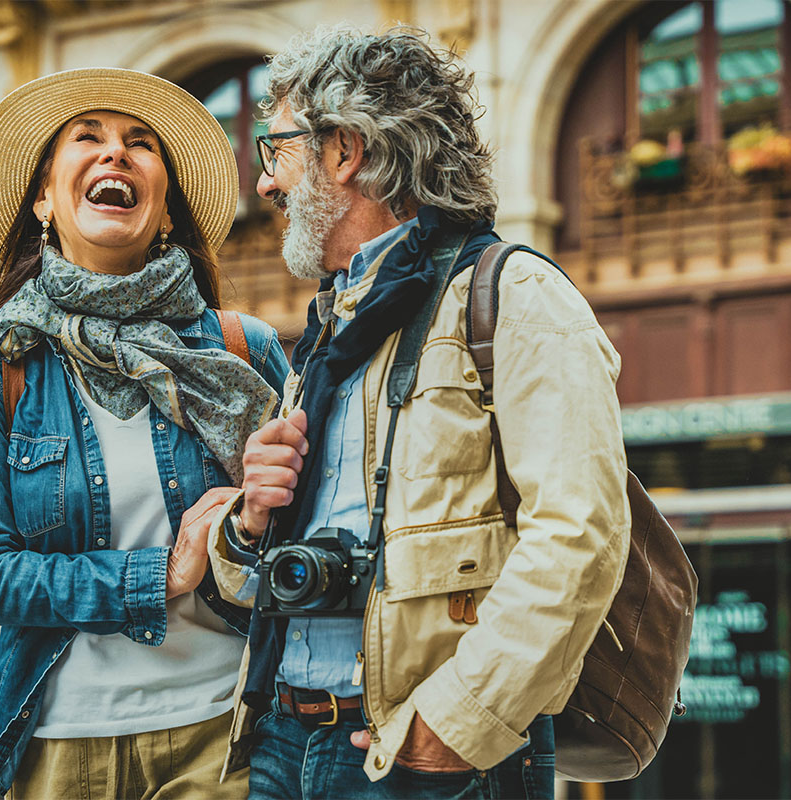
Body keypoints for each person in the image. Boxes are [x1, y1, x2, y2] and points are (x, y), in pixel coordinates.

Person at [206, 27, 631, 799]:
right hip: (281, 741)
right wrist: (251, 526)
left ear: (345, 151)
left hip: (414, 756)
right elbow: (251, 589)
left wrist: (458, 722)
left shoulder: (515, 297)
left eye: (278, 151)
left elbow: (581, 534)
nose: (266, 184)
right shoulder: (333, 326)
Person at [0, 68, 289, 799]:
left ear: (165, 209)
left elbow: (309, 532)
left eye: (141, 144)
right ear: (44, 198)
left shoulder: (242, 350)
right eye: (88, 138)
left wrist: (252, 529)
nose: (115, 155)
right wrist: (156, 577)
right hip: (62, 743)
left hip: (226, 727)